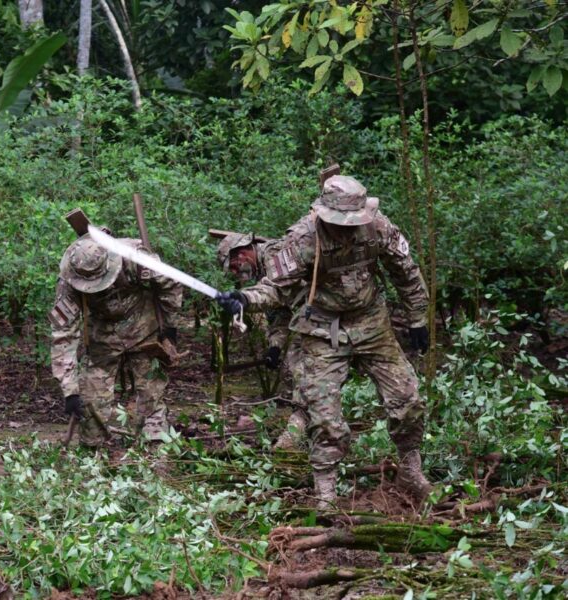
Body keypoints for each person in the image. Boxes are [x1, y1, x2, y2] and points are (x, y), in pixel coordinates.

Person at [215, 175, 432, 507]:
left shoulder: (377, 226)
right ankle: (326, 492)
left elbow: (405, 270)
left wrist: (418, 317)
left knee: (408, 399)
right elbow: (276, 288)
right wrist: (245, 299)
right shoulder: (304, 237)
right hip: (322, 330)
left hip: (371, 322)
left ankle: (410, 470)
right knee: (323, 415)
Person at [50, 233, 183, 447]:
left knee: (151, 389)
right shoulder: (69, 282)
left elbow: (171, 284)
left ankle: (155, 443)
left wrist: (170, 328)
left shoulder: (133, 256)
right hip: (103, 335)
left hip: (143, 326)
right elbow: (63, 334)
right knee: (92, 393)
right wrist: (70, 391)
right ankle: (93, 447)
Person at [216, 232, 308, 450]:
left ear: (243, 252)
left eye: (234, 266)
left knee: (306, 374)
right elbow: (279, 314)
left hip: (321, 315)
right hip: (306, 319)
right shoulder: (261, 273)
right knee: (303, 373)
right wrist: (275, 347)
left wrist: (245, 298)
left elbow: (277, 291)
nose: (235, 272)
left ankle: (296, 434)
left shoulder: (276, 255)